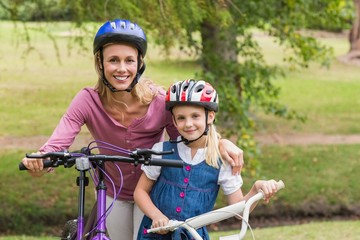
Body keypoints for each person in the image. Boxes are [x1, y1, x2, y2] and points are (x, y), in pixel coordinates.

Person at [21, 19, 244, 240]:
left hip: (151, 195)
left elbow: (189, 138)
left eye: (129, 60)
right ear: (100, 63)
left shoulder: (159, 102)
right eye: (113, 60)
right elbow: (55, 146)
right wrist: (39, 161)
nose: (121, 68)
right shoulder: (87, 100)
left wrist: (221, 141)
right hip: (112, 192)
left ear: (139, 64)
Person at [134, 79, 279, 240]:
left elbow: (238, 212)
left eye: (195, 116)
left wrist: (256, 188)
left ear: (210, 116)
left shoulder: (222, 160)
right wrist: (156, 216)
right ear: (174, 121)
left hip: (193, 236)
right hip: (154, 235)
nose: (188, 124)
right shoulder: (161, 151)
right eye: (181, 118)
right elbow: (140, 192)